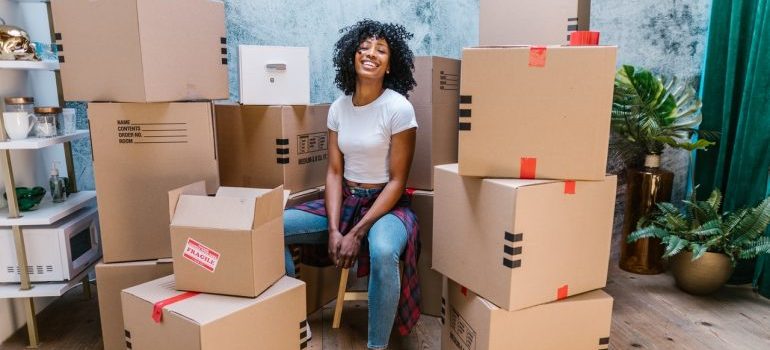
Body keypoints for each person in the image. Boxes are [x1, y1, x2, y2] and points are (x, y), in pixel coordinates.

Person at [283, 19, 421, 349]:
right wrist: (333, 230)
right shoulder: (339, 108)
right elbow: (333, 172)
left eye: (381, 50)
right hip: (346, 199)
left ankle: (377, 346)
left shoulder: (399, 108)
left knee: (384, 249)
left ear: (390, 65)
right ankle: (289, 321)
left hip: (386, 206)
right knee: (273, 227)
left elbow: (398, 181)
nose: (371, 53)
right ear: (352, 56)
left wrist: (357, 232)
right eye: (364, 47)